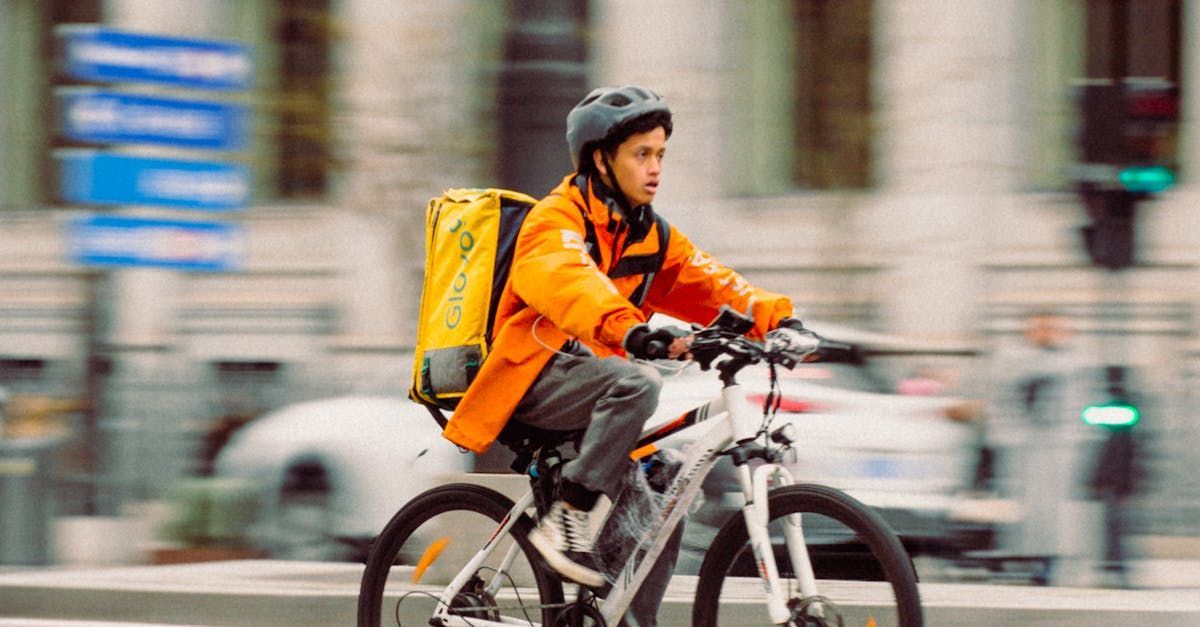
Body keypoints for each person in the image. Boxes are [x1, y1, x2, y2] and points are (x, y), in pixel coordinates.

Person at [439, 85, 805, 624]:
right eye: (641, 154)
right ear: (601, 160)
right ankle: (570, 517)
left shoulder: (645, 234)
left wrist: (780, 320)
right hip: (531, 379)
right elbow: (572, 284)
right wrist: (632, 333)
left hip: (590, 385)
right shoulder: (553, 222)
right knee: (636, 384)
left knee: (667, 498)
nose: (655, 168)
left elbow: (710, 281)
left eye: (660, 154)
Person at [988, 309, 1096, 584]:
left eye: (1054, 328)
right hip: (1022, 447)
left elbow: (1086, 406)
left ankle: (1048, 561)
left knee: (1055, 511)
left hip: (1060, 448)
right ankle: (1018, 558)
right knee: (1020, 506)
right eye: (1041, 327)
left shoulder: (1078, 364)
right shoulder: (1011, 360)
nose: (1048, 333)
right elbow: (1000, 401)